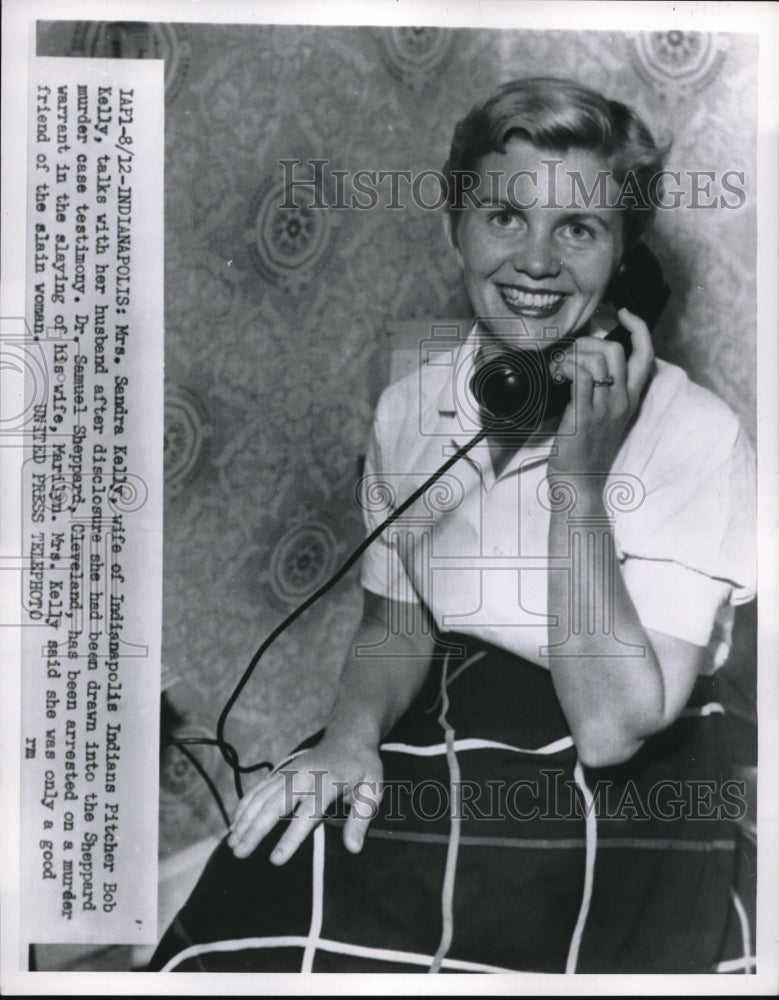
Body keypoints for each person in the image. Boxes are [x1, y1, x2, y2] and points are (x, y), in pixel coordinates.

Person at [150, 77, 756, 974]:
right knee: (254, 890)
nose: (536, 262)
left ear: (624, 261)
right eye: (504, 217)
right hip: (443, 722)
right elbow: (395, 624)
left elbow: (611, 728)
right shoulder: (413, 406)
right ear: (455, 229)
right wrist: (351, 737)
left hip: (620, 786)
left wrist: (578, 483)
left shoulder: (695, 433)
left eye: (578, 229)